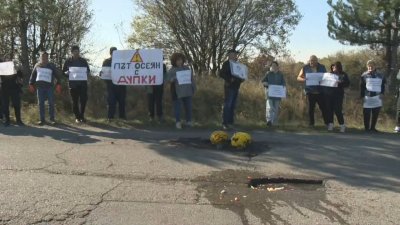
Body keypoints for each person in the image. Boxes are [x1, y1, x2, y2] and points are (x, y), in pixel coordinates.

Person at [29, 51, 62, 125]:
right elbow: (33, 75)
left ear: (48, 57)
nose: (44, 58)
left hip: (49, 87)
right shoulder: (37, 65)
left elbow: (57, 75)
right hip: (40, 88)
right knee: (40, 103)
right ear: (40, 57)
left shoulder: (51, 66)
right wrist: (31, 84)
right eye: (42, 57)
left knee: (51, 103)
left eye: (46, 57)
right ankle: (42, 120)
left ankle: (52, 119)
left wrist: (58, 84)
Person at [297, 55, 328, 127]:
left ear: (317, 61)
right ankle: (311, 124)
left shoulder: (322, 67)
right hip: (310, 91)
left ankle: (327, 123)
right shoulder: (305, 67)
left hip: (320, 91)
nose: (312, 62)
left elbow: (326, 77)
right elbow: (298, 77)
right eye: (311, 60)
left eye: (313, 60)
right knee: (311, 109)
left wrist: (323, 80)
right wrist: (304, 80)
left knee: (323, 108)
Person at [62, 45, 90, 123]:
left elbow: (88, 70)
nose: (76, 53)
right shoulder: (68, 61)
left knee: (83, 100)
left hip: (82, 84)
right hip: (73, 85)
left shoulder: (83, 61)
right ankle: (77, 117)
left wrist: (87, 72)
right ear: (72, 53)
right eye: (75, 52)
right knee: (75, 101)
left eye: (78, 52)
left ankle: (82, 116)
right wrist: (67, 73)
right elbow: (63, 72)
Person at [167, 53, 195, 129]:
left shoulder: (186, 68)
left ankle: (188, 121)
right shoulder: (172, 70)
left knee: (188, 107)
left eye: (181, 60)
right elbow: (168, 80)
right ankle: (178, 122)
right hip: (176, 92)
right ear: (174, 61)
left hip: (187, 91)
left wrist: (193, 88)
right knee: (177, 108)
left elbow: (191, 79)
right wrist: (172, 79)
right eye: (177, 60)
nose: (179, 61)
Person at [219, 49, 244, 130]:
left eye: (235, 54)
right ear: (229, 55)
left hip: (236, 87)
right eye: (233, 54)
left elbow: (240, 74)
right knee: (227, 105)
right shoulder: (226, 64)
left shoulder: (238, 64)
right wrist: (230, 79)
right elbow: (221, 74)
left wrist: (242, 79)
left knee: (233, 105)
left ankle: (230, 123)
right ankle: (225, 123)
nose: (235, 55)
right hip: (229, 87)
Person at [322, 62, 350, 132]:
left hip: (338, 95)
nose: (334, 69)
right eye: (333, 67)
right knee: (329, 110)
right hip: (328, 95)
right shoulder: (329, 74)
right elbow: (324, 83)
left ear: (339, 67)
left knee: (338, 110)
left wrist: (341, 83)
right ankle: (331, 125)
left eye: (336, 67)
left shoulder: (343, 74)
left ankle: (342, 125)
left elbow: (347, 83)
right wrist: (322, 82)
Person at [101, 47, 126, 121]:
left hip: (121, 85)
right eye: (113, 53)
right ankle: (110, 118)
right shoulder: (106, 62)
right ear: (110, 53)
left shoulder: (122, 61)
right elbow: (104, 72)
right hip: (111, 85)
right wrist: (102, 74)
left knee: (122, 102)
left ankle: (122, 118)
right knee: (111, 102)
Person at [360, 60, 386, 132]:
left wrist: (382, 93)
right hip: (367, 96)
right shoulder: (364, 75)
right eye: (369, 66)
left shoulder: (380, 75)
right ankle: (366, 128)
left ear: (375, 66)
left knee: (375, 113)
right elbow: (362, 86)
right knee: (366, 113)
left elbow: (383, 85)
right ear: (367, 66)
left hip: (377, 96)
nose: (370, 67)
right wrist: (362, 96)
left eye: (372, 66)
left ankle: (373, 128)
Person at [0, 59, 24, 127]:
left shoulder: (14, 66)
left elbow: (20, 76)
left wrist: (18, 69)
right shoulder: (1, 65)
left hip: (14, 87)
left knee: (16, 104)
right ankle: (7, 121)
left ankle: (19, 121)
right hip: (4, 88)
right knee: (5, 105)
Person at [262, 61, 286, 126]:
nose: (273, 67)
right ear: (270, 67)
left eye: (275, 66)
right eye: (272, 66)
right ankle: (269, 121)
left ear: (277, 67)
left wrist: (283, 91)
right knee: (270, 107)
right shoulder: (268, 73)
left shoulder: (281, 74)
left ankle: (274, 123)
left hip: (277, 95)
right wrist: (266, 84)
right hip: (269, 94)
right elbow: (263, 81)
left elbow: (284, 83)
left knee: (276, 108)